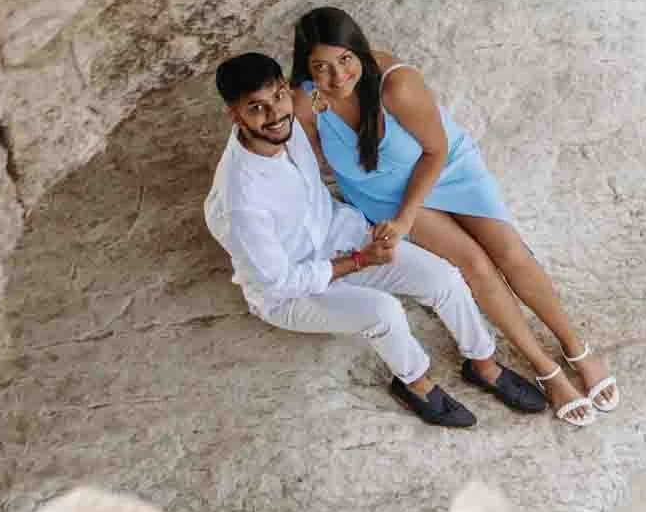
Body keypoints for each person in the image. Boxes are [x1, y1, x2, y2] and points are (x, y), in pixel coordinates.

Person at [292, 7, 619, 428]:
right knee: (474, 264)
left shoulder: (396, 85)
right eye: (321, 67)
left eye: (345, 59)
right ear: (306, 67)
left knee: (508, 251)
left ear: (360, 50)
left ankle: (576, 349)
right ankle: (545, 367)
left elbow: (436, 150)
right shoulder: (306, 101)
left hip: (445, 170)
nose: (337, 77)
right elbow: (316, 162)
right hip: (382, 195)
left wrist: (407, 219)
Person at [203, 51, 552, 428]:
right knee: (383, 313)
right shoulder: (242, 199)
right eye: (256, 108)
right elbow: (280, 281)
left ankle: (483, 364)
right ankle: (415, 384)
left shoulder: (296, 120)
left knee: (445, 278)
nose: (274, 114)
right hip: (290, 290)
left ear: (288, 90)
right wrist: (359, 261)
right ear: (235, 116)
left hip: (337, 234)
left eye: (278, 97)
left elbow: (345, 73)